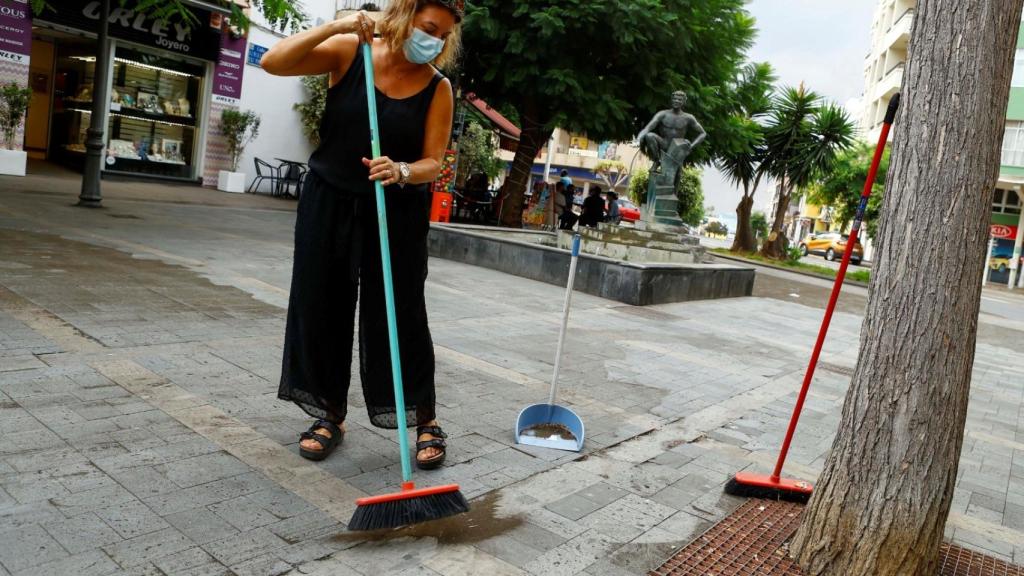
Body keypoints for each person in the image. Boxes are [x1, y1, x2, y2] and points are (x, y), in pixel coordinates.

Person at [261, 0, 463, 468]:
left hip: (395, 211)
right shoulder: (350, 52)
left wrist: (403, 168)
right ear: (404, 16)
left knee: (399, 315)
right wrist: (337, 25)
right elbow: (274, 62)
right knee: (323, 306)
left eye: (443, 35)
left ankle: (425, 418)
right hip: (329, 200)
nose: (434, 40)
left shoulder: (438, 86)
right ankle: (330, 414)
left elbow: (434, 161)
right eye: (429, 28)